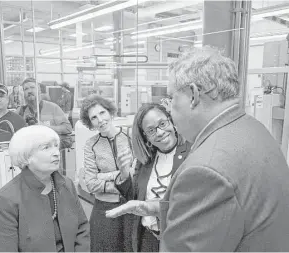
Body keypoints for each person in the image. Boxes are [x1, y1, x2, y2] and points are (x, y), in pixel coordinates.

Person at [106, 46, 289, 251]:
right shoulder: (254, 129)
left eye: (172, 98)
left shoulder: (205, 170)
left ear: (193, 94)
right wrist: (157, 208)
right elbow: (227, 211)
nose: (170, 110)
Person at [0, 125, 90, 252]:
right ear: (26, 156)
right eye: (46, 148)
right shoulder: (4, 201)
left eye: (56, 146)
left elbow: (82, 229)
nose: (56, 153)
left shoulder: (66, 184)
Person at [111, 103, 191, 252]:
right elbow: (134, 201)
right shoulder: (145, 161)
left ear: (171, 122)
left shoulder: (192, 155)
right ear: (145, 137)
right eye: (151, 130)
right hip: (148, 239)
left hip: (180, 241)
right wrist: (124, 173)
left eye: (162, 124)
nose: (160, 132)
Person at [80, 95, 133, 252]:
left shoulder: (130, 136)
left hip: (131, 205)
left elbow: (137, 171)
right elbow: (90, 183)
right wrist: (122, 181)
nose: (100, 120)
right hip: (104, 208)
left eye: (102, 113)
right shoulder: (90, 145)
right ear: (90, 123)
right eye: (94, 117)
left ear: (110, 112)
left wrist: (103, 176)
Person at [17, 78, 73, 149]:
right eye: (26, 89)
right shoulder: (20, 111)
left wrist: (45, 127)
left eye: (32, 87)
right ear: (23, 93)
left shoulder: (53, 108)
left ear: (39, 90)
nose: (30, 91)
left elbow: (67, 128)